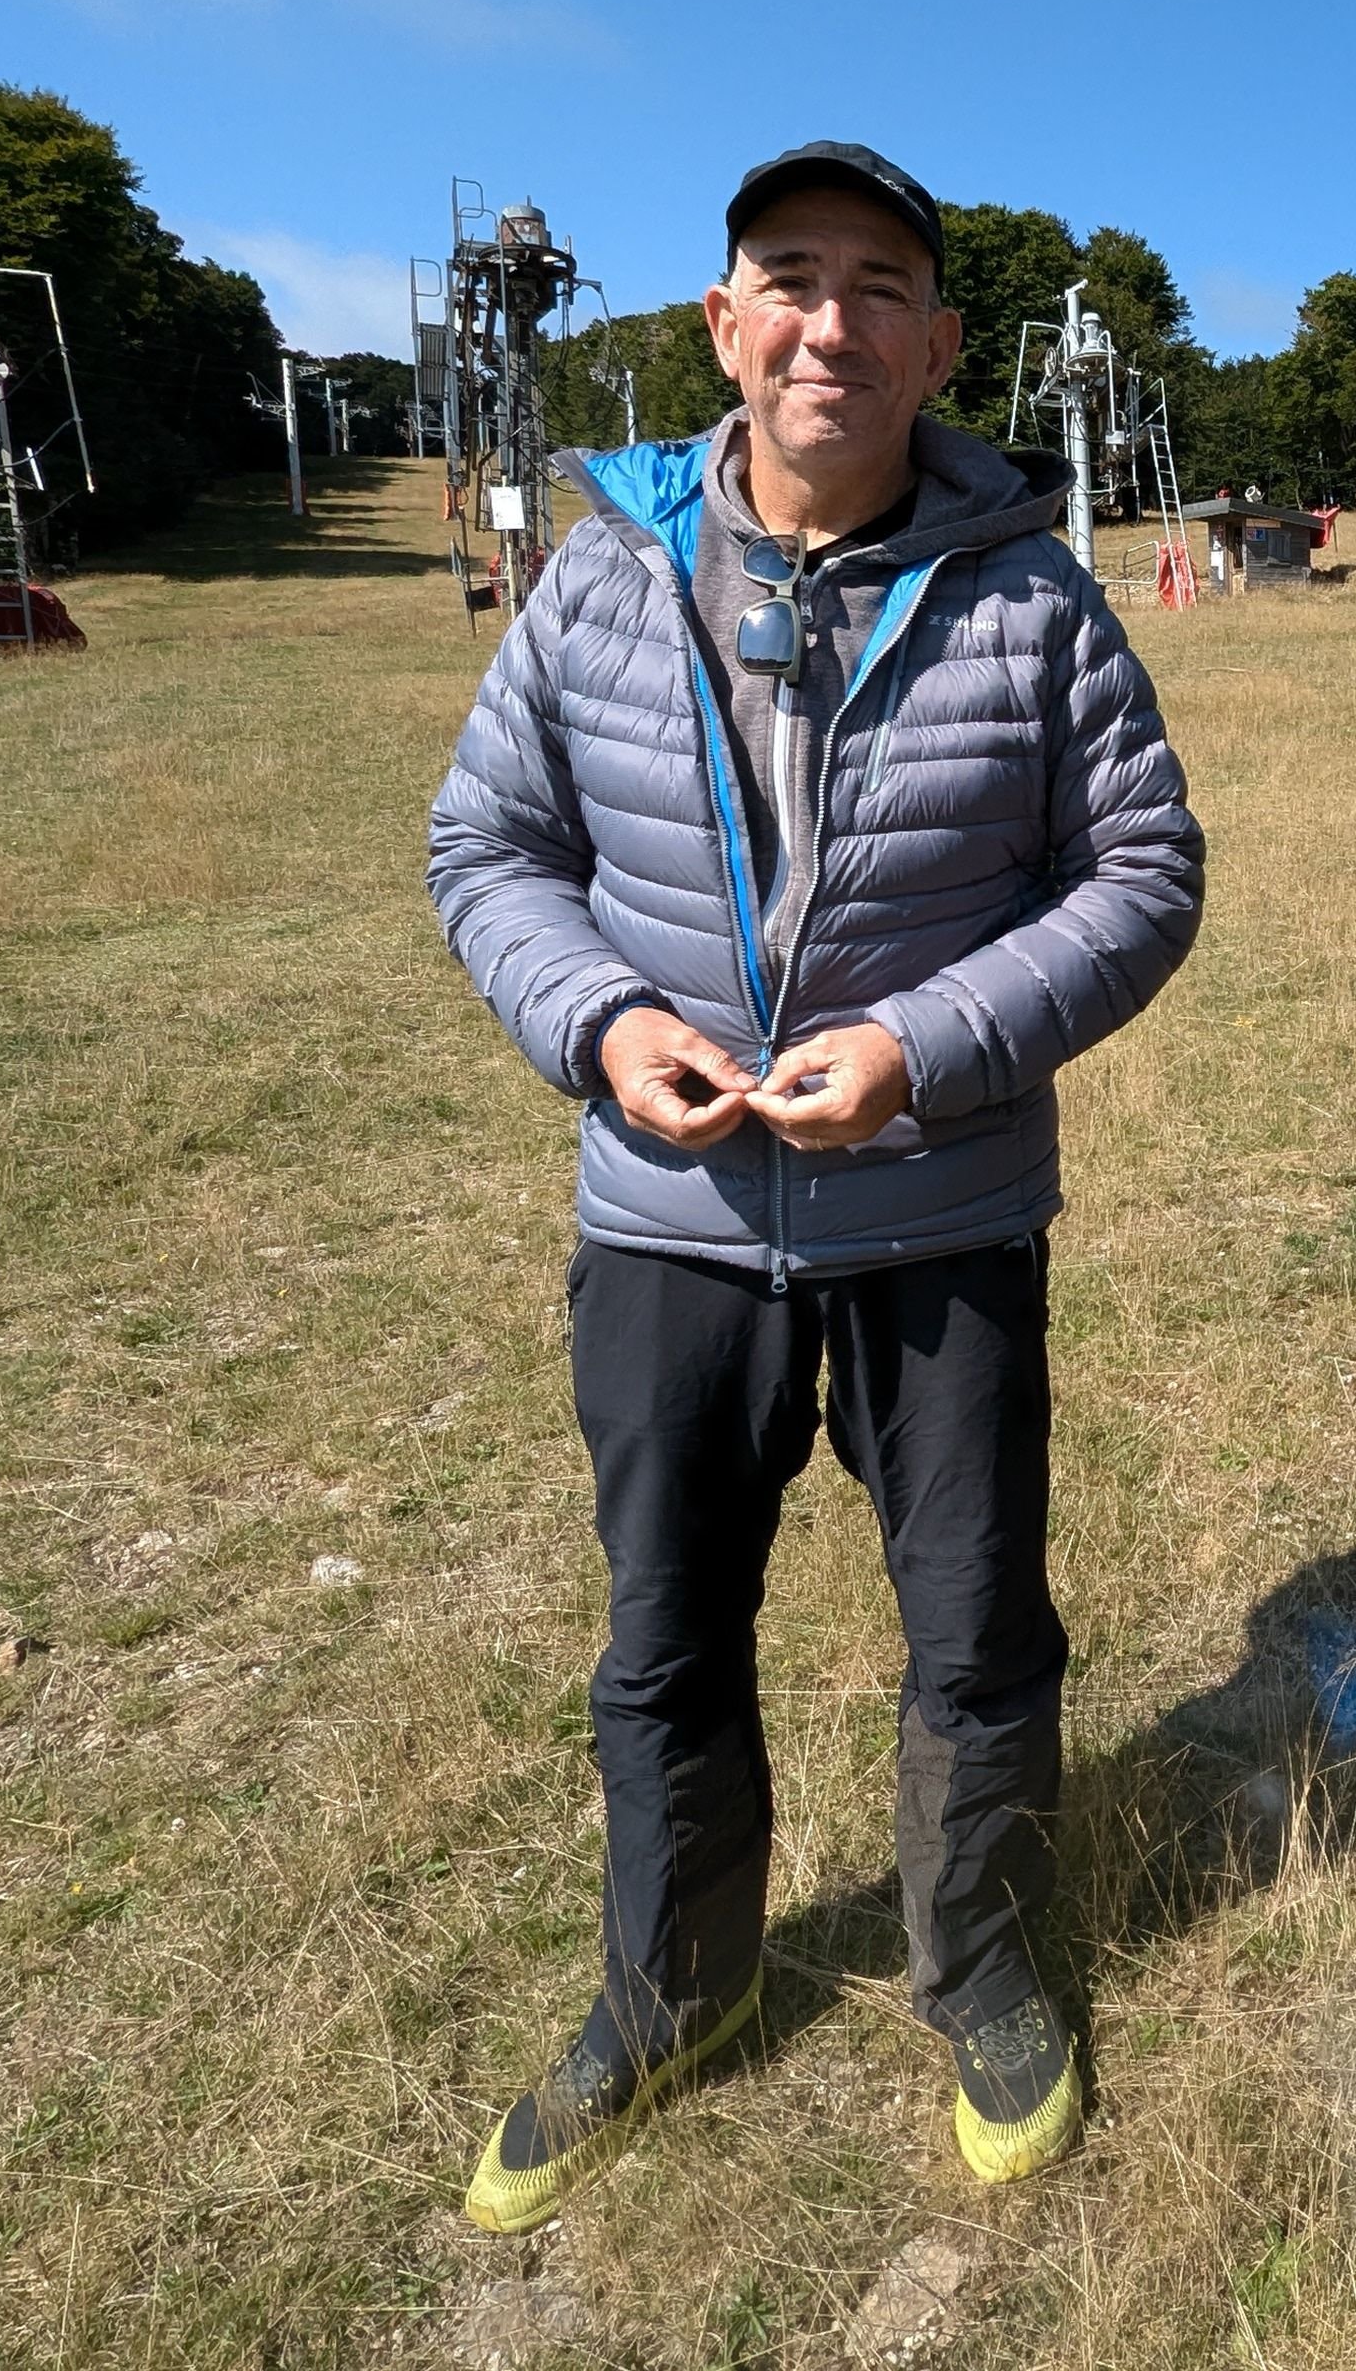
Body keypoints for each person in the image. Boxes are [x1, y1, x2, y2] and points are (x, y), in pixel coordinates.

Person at [428, 140, 1203, 2235]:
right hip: (668, 1231)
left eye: (879, 288)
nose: (829, 321)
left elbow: (1145, 877)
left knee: (974, 1635)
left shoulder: (1033, 592)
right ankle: (670, 1988)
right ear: (722, 323)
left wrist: (926, 1051)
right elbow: (483, 850)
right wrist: (599, 1023)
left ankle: (979, 1969)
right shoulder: (599, 571)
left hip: (940, 1223)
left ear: (943, 347)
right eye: (788, 277)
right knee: (665, 1640)